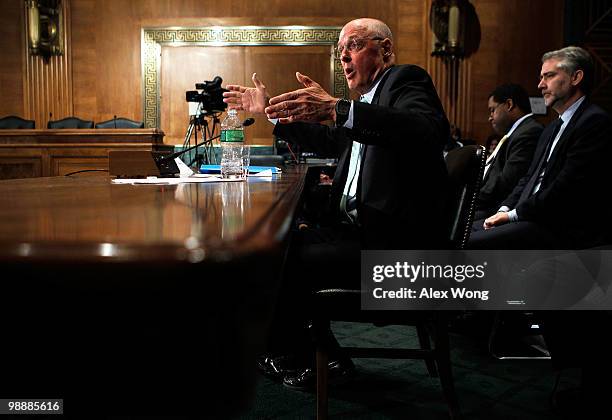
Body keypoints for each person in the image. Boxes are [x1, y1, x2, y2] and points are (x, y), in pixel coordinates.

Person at [223, 18, 450, 389]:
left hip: (393, 249)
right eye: (340, 50)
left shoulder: (406, 80)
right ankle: (311, 352)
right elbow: (331, 141)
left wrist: (339, 109)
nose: (344, 56)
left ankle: (312, 358)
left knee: (279, 257)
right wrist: (272, 113)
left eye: (355, 46)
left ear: (386, 50)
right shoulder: (366, 106)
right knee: (269, 244)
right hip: (361, 234)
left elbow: (427, 129)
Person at [469, 46, 612, 250]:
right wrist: (504, 208)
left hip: (558, 225)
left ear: (576, 77)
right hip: (528, 216)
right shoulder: (552, 127)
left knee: (465, 244)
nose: (540, 85)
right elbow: (529, 178)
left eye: (549, 76)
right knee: (457, 233)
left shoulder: (594, 122)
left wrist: (512, 215)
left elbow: (565, 187)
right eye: (541, 77)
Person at [475, 83, 543, 220]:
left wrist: (471, 200)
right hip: (487, 202)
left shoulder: (529, 132)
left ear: (509, 104)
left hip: (498, 208)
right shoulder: (515, 133)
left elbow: (506, 182)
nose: (490, 117)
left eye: (492, 110)